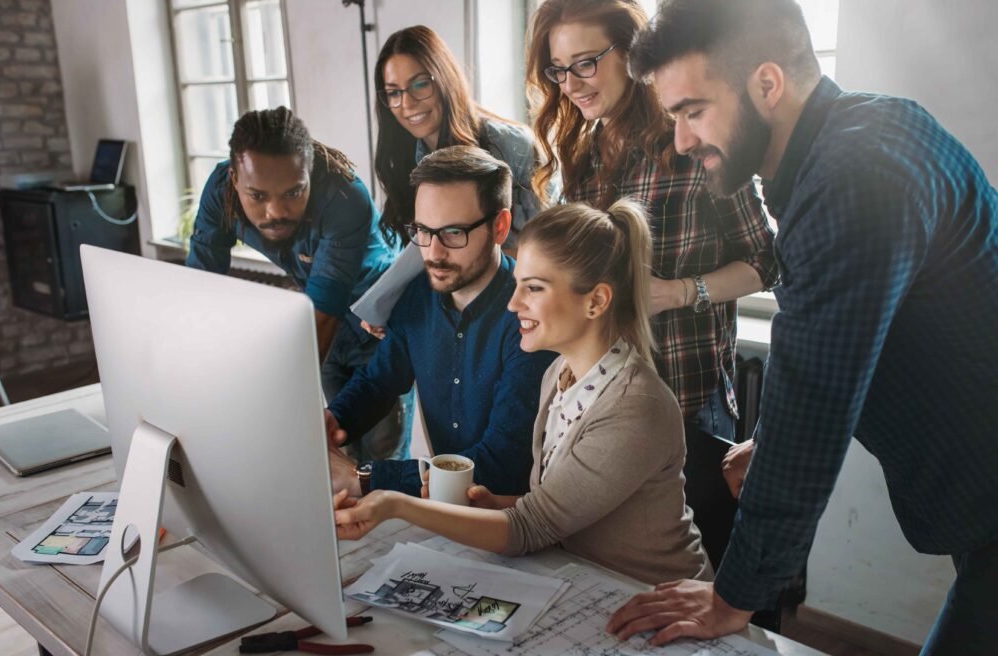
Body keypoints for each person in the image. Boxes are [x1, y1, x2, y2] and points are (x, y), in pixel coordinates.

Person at [609, 1, 998, 652]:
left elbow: (816, 391)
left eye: (693, 111)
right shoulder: (856, 138)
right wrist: (772, 438)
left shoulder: (854, 175)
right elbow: (851, 330)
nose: (680, 140)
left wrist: (735, 597)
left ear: (767, 83)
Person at [335, 199, 712, 586]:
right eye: (518, 286)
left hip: (658, 598)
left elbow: (530, 528)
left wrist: (397, 504)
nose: (514, 304)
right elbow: (553, 505)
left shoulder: (635, 408)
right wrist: (494, 504)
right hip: (587, 582)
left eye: (533, 288)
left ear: (596, 301)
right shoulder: (558, 374)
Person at [526, 0, 778, 441]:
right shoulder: (582, 159)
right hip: (602, 400)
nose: (570, 85)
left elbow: (766, 263)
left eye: (585, 64)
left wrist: (679, 292)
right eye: (558, 70)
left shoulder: (693, 144)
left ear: (629, 53)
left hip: (687, 400)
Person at [325, 146, 555, 497]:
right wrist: (335, 421)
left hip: (518, 519)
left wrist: (365, 477)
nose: (433, 253)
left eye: (452, 233)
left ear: (499, 226)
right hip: (446, 510)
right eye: (423, 231)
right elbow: (379, 382)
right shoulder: (416, 295)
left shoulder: (530, 315)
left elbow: (499, 464)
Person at [185, 107, 402, 460]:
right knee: (337, 440)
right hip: (322, 317)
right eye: (257, 196)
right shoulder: (219, 191)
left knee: (380, 450)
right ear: (235, 180)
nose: (276, 211)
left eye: (292, 193)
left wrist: (269, 411)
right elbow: (199, 285)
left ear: (310, 174)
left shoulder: (345, 196)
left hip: (379, 320)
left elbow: (324, 308)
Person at [374, 25, 554, 253]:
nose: (408, 104)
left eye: (420, 85)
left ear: (444, 80)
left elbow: (554, 244)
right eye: (394, 93)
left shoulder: (511, 144)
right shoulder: (402, 160)